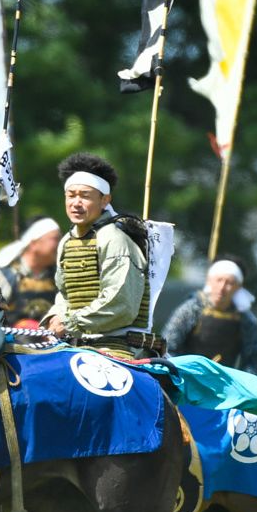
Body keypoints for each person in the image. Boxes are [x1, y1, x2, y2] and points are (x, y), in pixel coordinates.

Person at [41, 151, 159, 358]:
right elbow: (64, 294)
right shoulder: (66, 242)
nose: (76, 203)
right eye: (71, 195)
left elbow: (121, 304)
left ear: (105, 200)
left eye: (85, 196)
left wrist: (69, 323)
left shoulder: (115, 239)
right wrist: (55, 316)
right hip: (77, 343)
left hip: (118, 346)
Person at [163, 258, 257, 374]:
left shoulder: (245, 319)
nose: (222, 288)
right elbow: (168, 347)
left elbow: (255, 360)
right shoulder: (191, 310)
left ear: (238, 287)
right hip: (186, 377)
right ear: (209, 281)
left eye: (229, 283)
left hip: (224, 384)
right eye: (219, 280)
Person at [0, 216, 61, 328]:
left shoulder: (58, 276)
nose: (60, 244)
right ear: (34, 244)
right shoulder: (5, 275)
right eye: (54, 239)